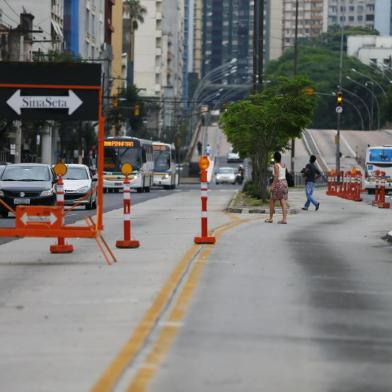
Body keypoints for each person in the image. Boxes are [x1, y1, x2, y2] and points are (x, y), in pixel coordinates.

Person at [265, 151, 288, 224]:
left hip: (278, 183)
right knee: (283, 201)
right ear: (280, 157)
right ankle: (284, 219)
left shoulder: (275, 165)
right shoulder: (284, 164)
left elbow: (276, 176)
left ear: (274, 158)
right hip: (284, 183)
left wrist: (272, 186)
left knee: (272, 200)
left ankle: (271, 218)